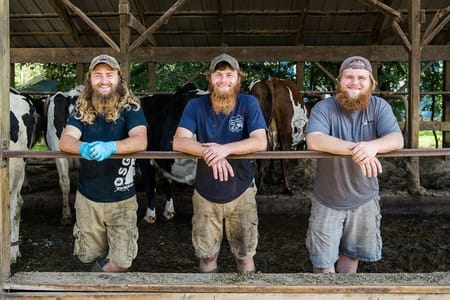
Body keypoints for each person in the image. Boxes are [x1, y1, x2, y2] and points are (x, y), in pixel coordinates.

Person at [305, 55, 404, 273]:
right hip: (328, 199)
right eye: (349, 77)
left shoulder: (379, 107)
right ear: (339, 82)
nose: (355, 82)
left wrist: (373, 147)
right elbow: (314, 139)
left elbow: (397, 139)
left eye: (362, 78)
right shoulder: (324, 108)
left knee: (351, 257)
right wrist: (360, 149)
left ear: (371, 84)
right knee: (322, 265)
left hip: (364, 199)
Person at [172, 53, 268, 273]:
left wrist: (225, 150)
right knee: (207, 258)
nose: (223, 80)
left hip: (241, 192)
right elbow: (179, 141)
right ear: (210, 78)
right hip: (206, 194)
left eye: (229, 74)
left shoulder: (248, 103)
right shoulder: (196, 105)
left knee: (244, 257)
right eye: (218, 74)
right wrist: (210, 153)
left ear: (238, 78)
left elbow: (260, 141)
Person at [59, 54, 148, 272]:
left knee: (121, 262)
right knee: (88, 254)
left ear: (119, 77)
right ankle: (98, 283)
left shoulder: (131, 108)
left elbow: (140, 139)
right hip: (88, 198)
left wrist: (112, 147)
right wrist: (81, 147)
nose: (104, 80)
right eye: (98, 75)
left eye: (109, 74)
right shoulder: (82, 108)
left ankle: (98, 276)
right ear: (90, 79)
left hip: (122, 198)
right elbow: (66, 139)